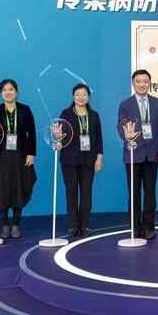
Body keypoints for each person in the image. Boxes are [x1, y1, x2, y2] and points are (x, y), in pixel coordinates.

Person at [116, 70, 158, 240]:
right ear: (133, 84)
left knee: (150, 193)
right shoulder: (125, 104)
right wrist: (126, 135)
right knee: (134, 193)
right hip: (133, 153)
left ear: (149, 83)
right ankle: (135, 227)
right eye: (138, 81)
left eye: (145, 81)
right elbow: (120, 126)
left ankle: (149, 226)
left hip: (152, 154)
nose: (142, 84)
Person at [0, 79, 37, 239]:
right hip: (0, 155)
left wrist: (31, 153)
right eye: (5, 90)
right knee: (2, 189)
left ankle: (16, 224)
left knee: (19, 188)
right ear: (0, 93)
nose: (8, 92)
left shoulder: (25, 109)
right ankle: (5, 225)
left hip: (20, 154)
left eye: (11, 89)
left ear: (16, 92)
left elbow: (32, 133)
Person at [59, 84, 104, 239]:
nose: (81, 97)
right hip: (69, 160)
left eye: (84, 94)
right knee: (71, 193)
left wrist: (99, 158)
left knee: (86, 193)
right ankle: (73, 225)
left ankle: (84, 225)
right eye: (77, 94)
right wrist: (57, 138)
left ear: (88, 97)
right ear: (73, 97)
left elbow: (99, 138)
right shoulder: (66, 113)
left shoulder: (94, 115)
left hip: (88, 160)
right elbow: (60, 136)